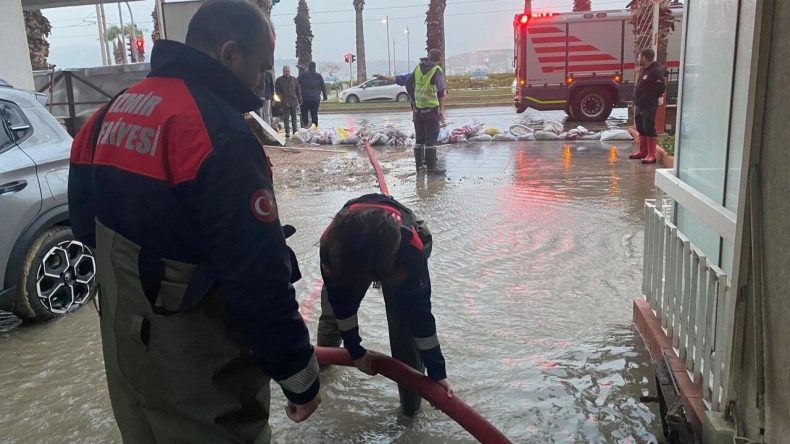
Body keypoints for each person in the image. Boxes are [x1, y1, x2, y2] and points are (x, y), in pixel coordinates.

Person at [67, 1, 320, 441]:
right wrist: (299, 375)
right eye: (261, 69)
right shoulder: (218, 135)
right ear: (228, 54)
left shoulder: (113, 110)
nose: (263, 83)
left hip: (126, 353)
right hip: (198, 372)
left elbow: (83, 223)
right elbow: (257, 274)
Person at [316, 193, 452, 416]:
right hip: (351, 251)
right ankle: (321, 369)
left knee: (404, 328)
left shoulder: (410, 251)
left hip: (401, 246)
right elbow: (341, 304)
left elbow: (421, 316)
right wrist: (355, 351)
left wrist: (438, 373)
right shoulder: (331, 247)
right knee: (332, 318)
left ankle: (410, 410)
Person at [376, 48, 447, 174]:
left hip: (417, 111)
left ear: (428, 57)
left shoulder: (418, 69)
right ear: (440, 58)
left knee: (419, 139)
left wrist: (384, 77)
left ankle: (419, 166)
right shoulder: (437, 71)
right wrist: (441, 110)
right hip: (431, 110)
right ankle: (431, 167)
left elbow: (404, 80)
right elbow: (441, 91)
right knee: (431, 139)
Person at [629, 48, 666, 164]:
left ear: (644, 58)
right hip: (640, 105)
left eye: (640, 57)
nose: (638, 59)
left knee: (649, 127)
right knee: (641, 127)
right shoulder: (644, 70)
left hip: (649, 104)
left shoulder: (655, 71)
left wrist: (650, 97)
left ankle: (651, 155)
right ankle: (643, 151)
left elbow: (660, 87)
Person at [298, 61, 327, 128]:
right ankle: (315, 127)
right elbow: (323, 86)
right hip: (315, 99)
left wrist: (297, 94)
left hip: (305, 98)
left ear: (308, 67)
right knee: (314, 114)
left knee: (304, 113)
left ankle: (305, 126)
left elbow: (296, 83)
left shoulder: (303, 75)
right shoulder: (318, 76)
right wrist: (325, 96)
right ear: (315, 67)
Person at [275, 65, 301, 138]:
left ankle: (295, 131)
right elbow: (277, 92)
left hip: (293, 101)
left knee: (294, 118)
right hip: (285, 102)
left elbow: (298, 90)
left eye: (288, 71)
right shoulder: (279, 80)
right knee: (286, 118)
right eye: (286, 71)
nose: (287, 73)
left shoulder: (294, 79)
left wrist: (300, 99)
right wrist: (281, 100)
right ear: (283, 71)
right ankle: (287, 132)